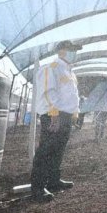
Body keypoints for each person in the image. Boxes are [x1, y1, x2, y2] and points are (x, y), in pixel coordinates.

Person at [30, 40, 82, 202]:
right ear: (61, 51)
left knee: (58, 150)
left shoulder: (70, 72)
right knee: (46, 151)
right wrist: (53, 114)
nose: (75, 53)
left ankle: (53, 181)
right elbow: (47, 91)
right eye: (72, 49)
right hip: (54, 115)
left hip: (65, 116)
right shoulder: (51, 67)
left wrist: (74, 114)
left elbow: (72, 96)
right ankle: (37, 188)